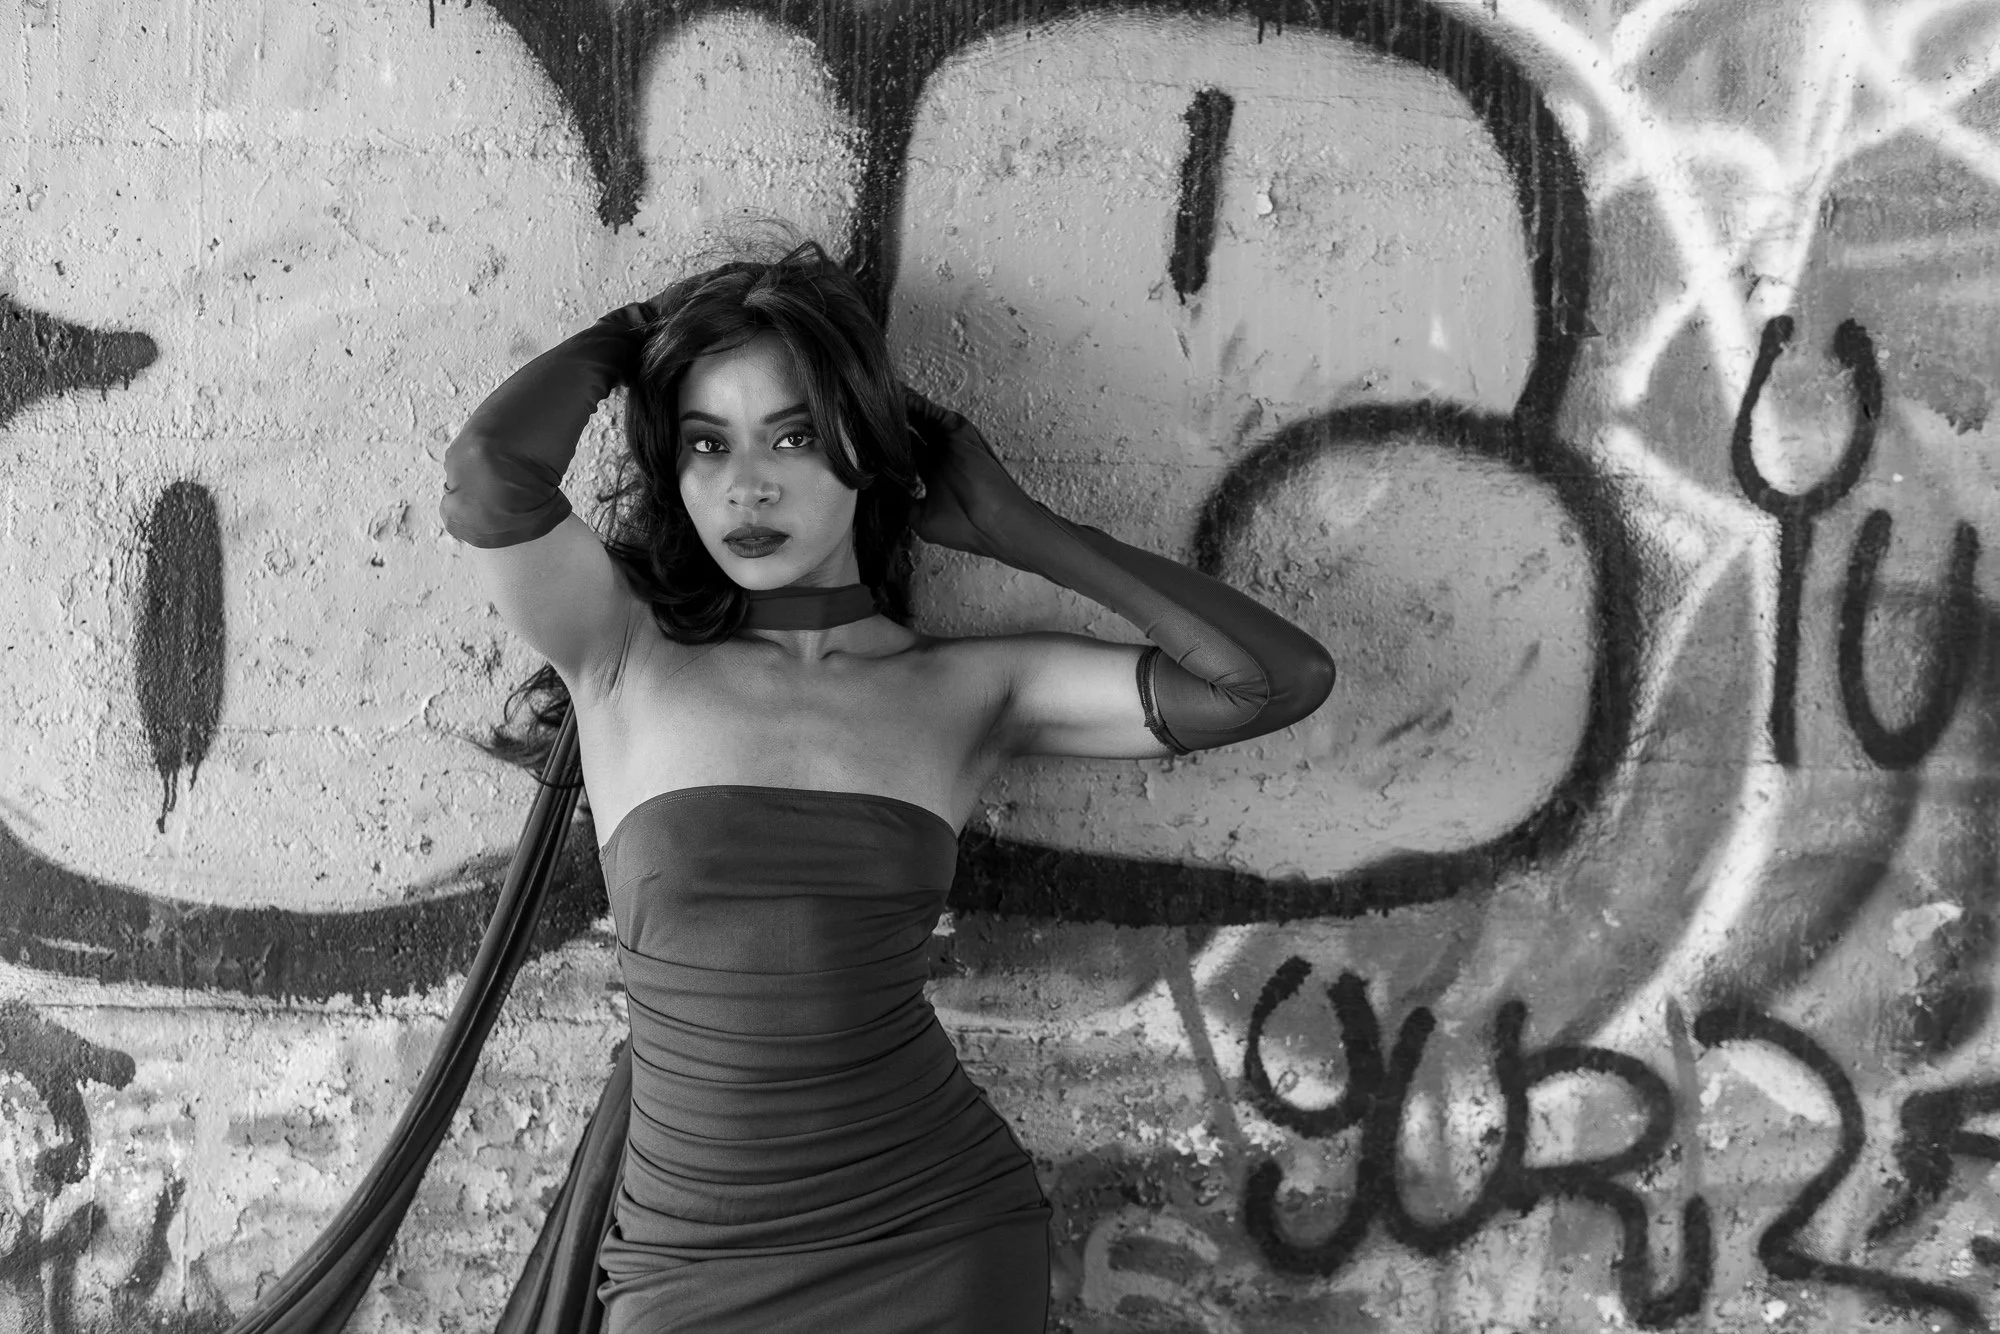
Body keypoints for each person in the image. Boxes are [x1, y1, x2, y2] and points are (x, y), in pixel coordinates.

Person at [438, 238, 1335, 1333]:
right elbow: (489, 472)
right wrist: (641, 333)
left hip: (930, 1240)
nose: (746, 485)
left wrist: (1023, 530)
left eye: (795, 436)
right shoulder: (623, 653)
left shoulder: (966, 686)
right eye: (705, 444)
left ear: (863, 452)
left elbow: (1270, 682)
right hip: (688, 1264)